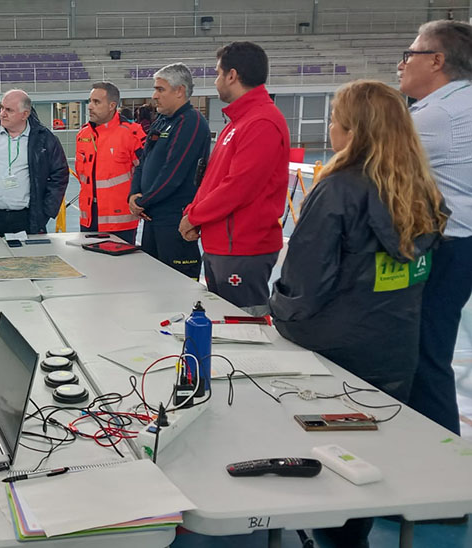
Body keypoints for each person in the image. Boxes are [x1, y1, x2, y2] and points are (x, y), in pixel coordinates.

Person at [271, 80, 447, 548]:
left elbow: (304, 288)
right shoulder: (422, 188)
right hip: (395, 347)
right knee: (374, 457)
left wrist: (274, 310)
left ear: (351, 130)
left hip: (334, 352)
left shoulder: (338, 191)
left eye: (334, 120)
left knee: (332, 462)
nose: (330, 128)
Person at [399, 20, 472, 435]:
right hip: (459, 244)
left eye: (410, 54)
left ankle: (441, 457)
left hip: (441, 246)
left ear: (437, 60)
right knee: (432, 351)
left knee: (422, 356)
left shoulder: (436, 115)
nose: (403, 64)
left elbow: (366, 169)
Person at [179, 42, 290, 315]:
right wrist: (194, 213)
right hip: (224, 245)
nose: (216, 81)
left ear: (232, 75)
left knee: (245, 328)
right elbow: (213, 180)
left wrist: (194, 217)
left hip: (243, 249)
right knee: (222, 323)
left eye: (218, 73)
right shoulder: (239, 122)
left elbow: (238, 188)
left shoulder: (261, 122)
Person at [129, 64, 210, 279]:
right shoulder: (163, 121)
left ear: (180, 91)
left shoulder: (191, 122)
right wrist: (134, 195)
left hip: (174, 220)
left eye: (160, 90)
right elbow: (143, 162)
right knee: (152, 281)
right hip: (152, 217)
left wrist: (143, 201)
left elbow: (173, 175)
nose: (154, 96)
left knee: (177, 285)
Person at [0, 89, 69, 237]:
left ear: (25, 114)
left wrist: (46, 211)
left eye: (9, 110)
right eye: (2, 108)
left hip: (26, 219)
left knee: (27, 260)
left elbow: (60, 173)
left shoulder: (44, 139)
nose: (2, 113)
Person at [74, 81, 145, 243]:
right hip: (88, 220)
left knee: (119, 268)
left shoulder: (131, 133)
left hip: (120, 223)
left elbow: (145, 172)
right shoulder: (83, 135)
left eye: (96, 102)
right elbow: (82, 175)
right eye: (90, 101)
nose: (90, 106)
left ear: (112, 105)